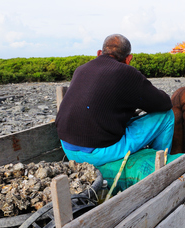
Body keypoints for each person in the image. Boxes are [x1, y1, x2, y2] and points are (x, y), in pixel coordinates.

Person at [55, 34, 175, 168]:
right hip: (98, 153)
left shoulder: (81, 69)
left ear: (99, 53)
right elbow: (164, 104)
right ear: (129, 59)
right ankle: (158, 165)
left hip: (68, 148)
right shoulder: (127, 72)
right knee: (167, 116)